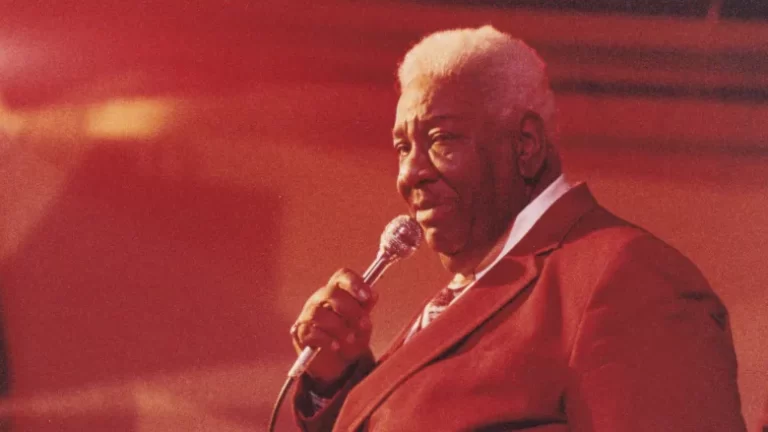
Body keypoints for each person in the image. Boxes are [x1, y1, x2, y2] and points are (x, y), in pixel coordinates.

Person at [288, 26, 746, 431]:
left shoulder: (627, 279)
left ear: (524, 145)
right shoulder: (476, 286)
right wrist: (336, 378)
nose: (411, 173)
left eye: (440, 140)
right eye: (402, 147)